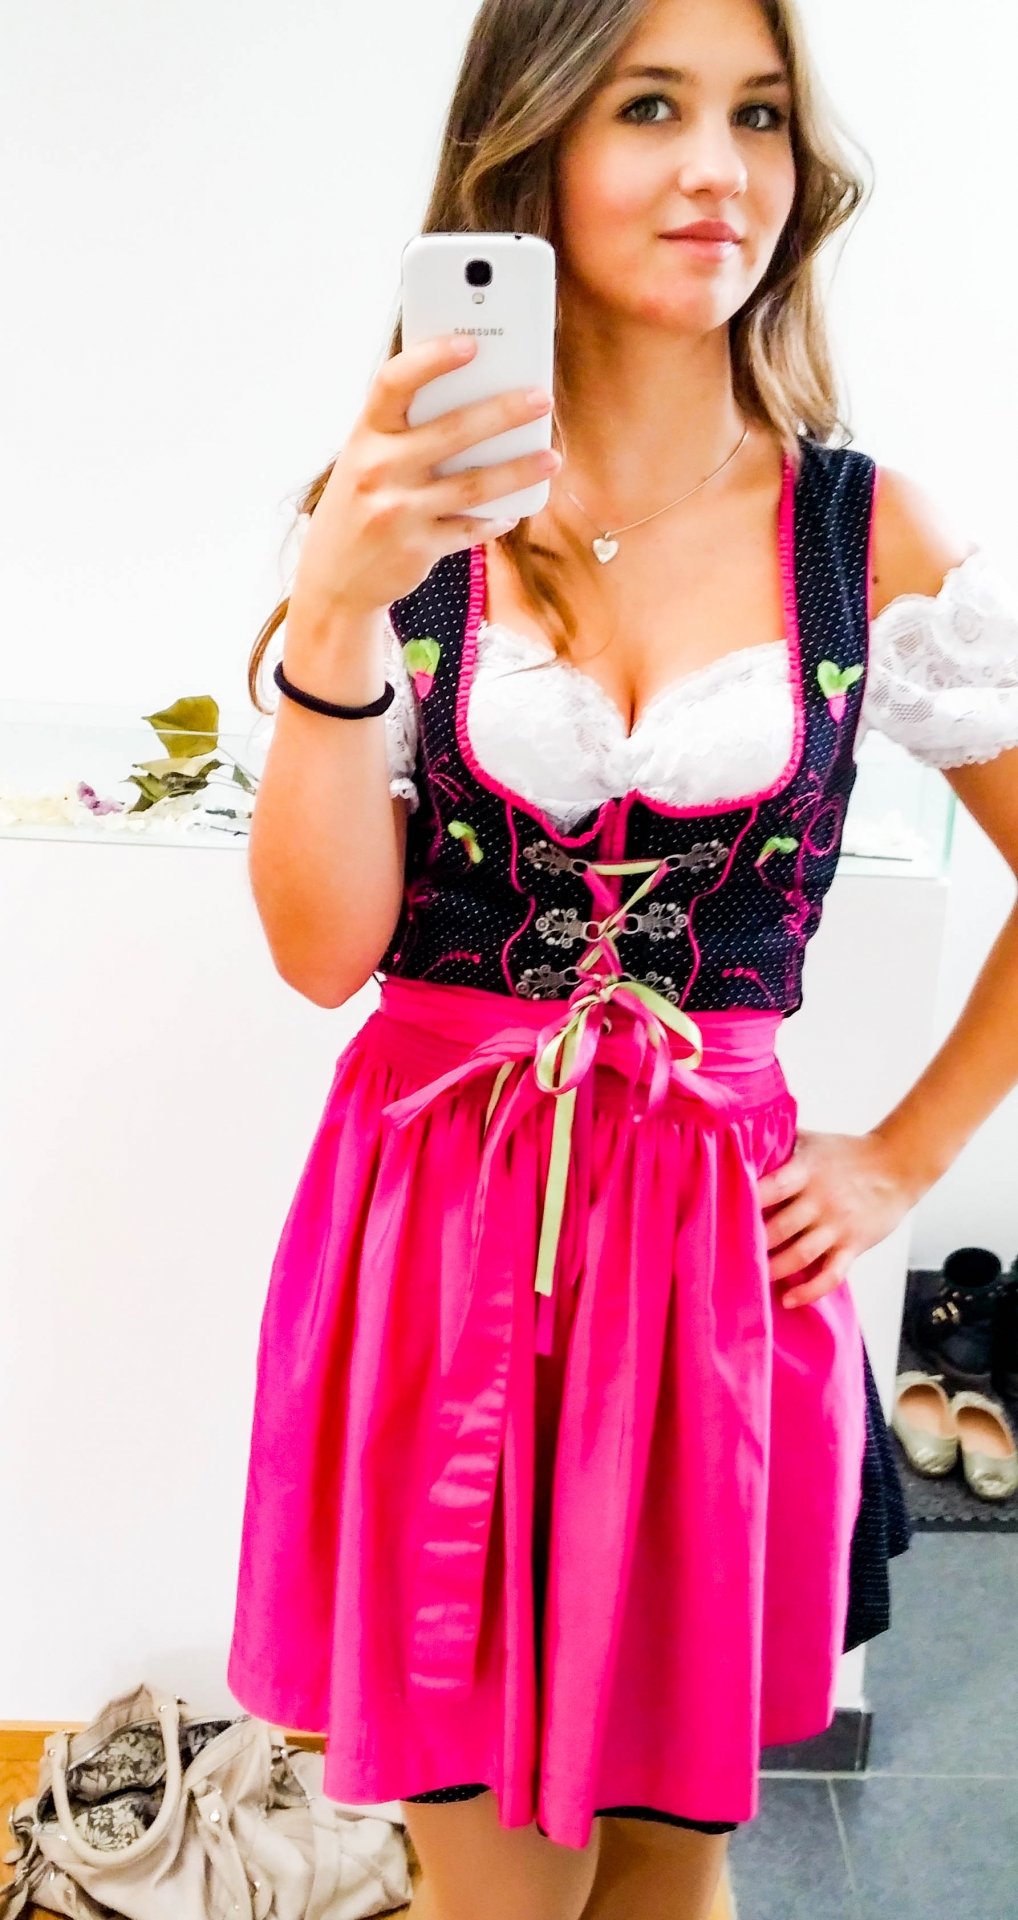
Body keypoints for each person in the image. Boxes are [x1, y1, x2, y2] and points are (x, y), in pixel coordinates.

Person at [226, 0, 1018, 1915]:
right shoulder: (394, 525)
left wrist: (902, 1157)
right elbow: (323, 951)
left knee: (669, 1872)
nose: (718, 171)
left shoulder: (863, 532)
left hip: (719, 1272)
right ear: (530, 151)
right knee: (494, 1887)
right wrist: (332, 605)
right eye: (648, 106)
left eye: (758, 114)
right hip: (436, 1245)